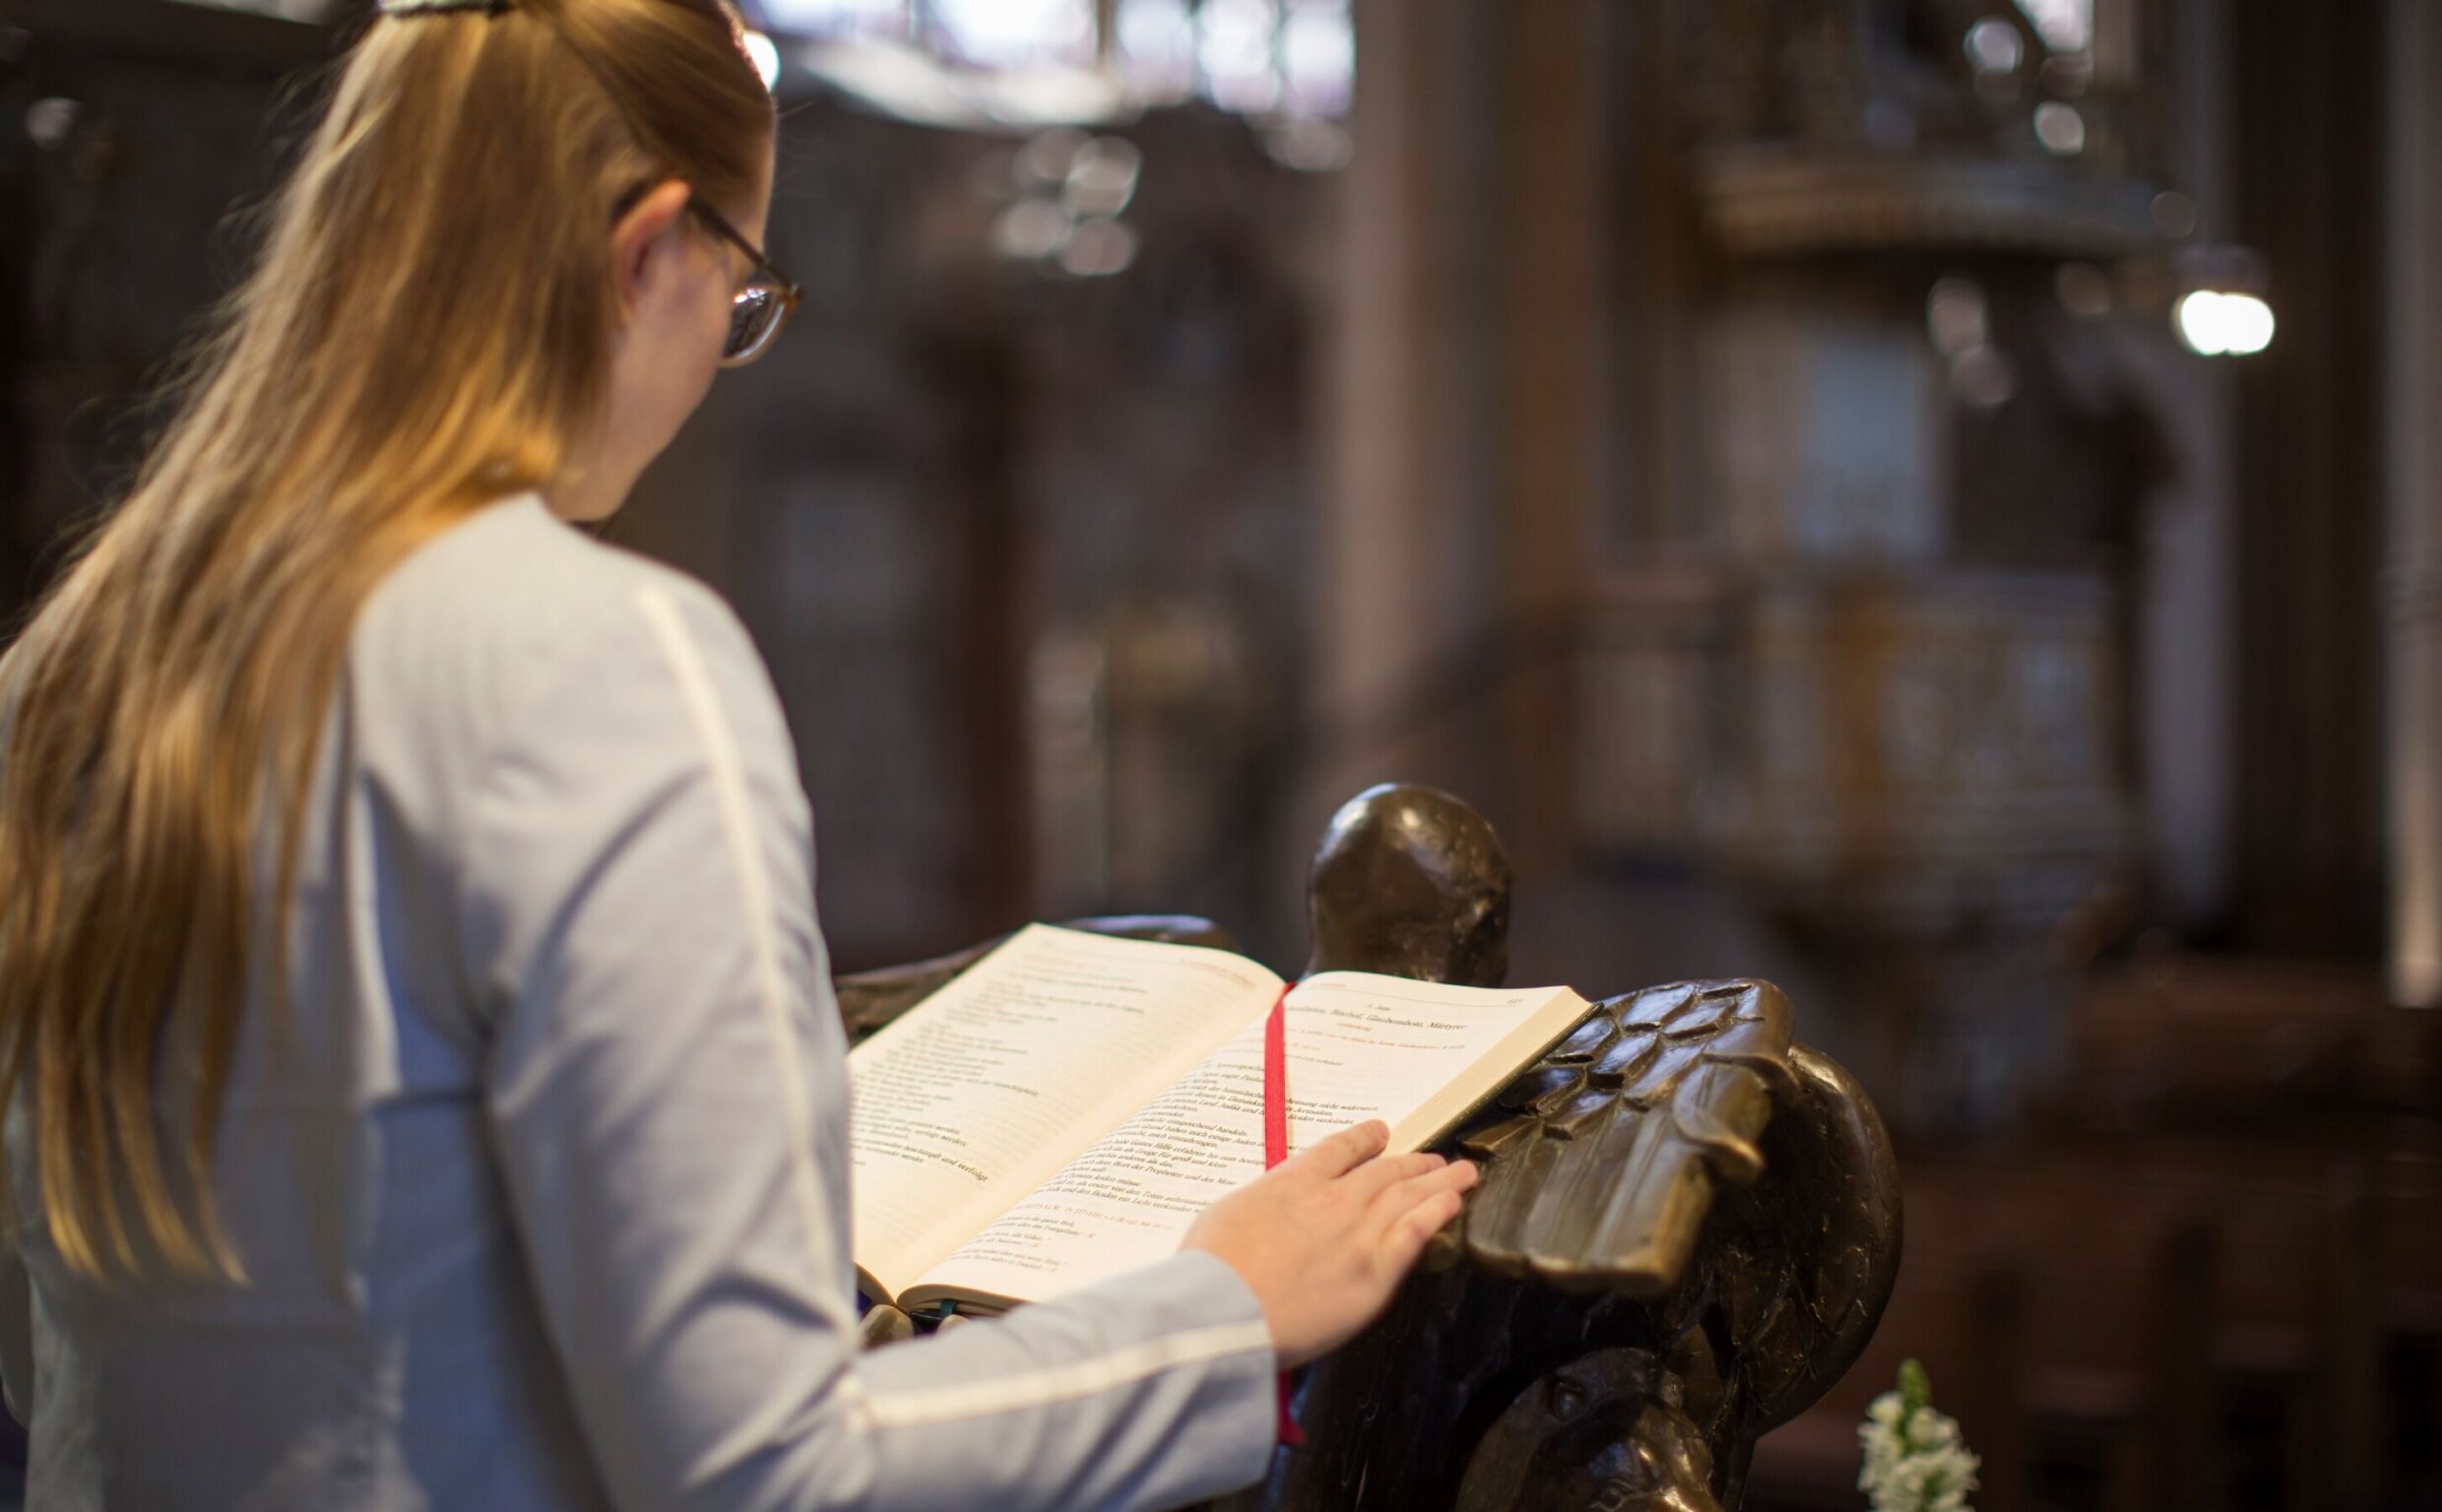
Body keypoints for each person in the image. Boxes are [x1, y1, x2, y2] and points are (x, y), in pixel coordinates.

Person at [0, 2, 1477, 1507]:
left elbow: (44, 1356)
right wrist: (1218, 1309)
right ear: (651, 249)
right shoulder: (596, 660)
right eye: (744, 290)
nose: (724, 350)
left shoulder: (72, 664)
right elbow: (763, 1469)